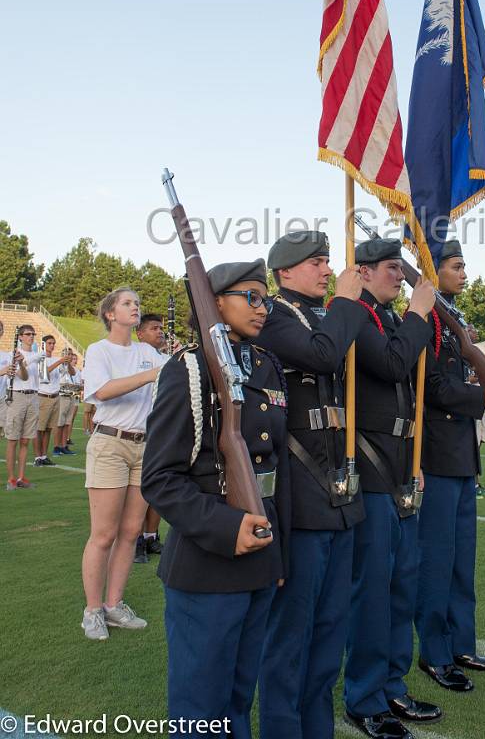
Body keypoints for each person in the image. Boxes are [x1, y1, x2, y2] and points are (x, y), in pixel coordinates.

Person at [142, 261, 290, 739]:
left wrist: (276, 552)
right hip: (208, 567)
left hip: (260, 560)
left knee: (238, 700)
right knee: (201, 709)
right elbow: (161, 479)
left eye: (264, 298)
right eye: (250, 296)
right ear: (214, 303)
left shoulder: (263, 364)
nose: (261, 307)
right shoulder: (188, 370)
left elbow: (272, 470)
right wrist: (228, 529)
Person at [258, 231, 366, 739]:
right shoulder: (275, 316)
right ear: (284, 272)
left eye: (328, 261)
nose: (328, 270)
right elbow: (322, 356)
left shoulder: (329, 316)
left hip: (341, 498)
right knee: (291, 637)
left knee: (329, 633)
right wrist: (347, 299)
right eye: (317, 262)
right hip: (302, 498)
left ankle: (317, 728)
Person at [344, 237, 441, 739]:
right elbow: (392, 365)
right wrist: (419, 314)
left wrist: (416, 459)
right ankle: (364, 696)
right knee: (373, 593)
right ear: (361, 272)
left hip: (403, 465)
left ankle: (392, 683)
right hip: (373, 469)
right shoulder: (356, 316)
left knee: (403, 586)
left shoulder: (393, 318)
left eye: (400, 270)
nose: (399, 277)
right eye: (389, 269)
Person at [416, 239, 485, 696]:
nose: (465, 273)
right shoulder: (428, 320)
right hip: (436, 456)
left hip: (460, 457)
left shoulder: (454, 319)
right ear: (433, 273)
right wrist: (480, 397)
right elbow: (431, 386)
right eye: (457, 266)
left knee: (461, 561)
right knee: (436, 561)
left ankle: (461, 643)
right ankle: (435, 653)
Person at [81, 288, 168, 640]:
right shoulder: (98, 350)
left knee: (131, 532)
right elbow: (101, 391)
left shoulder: (148, 351)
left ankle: (114, 605)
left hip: (143, 447)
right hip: (110, 444)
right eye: (128, 303)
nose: (136, 307)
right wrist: (149, 376)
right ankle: (92, 610)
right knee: (104, 534)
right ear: (110, 314)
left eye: (137, 303)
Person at [133, 313, 168, 563]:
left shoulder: (168, 358)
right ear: (140, 333)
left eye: (161, 328)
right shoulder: (133, 354)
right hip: (136, 430)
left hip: (158, 433)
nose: (160, 332)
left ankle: (150, 535)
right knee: (136, 493)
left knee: (157, 489)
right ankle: (135, 539)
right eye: (154, 328)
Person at [4, 324, 41, 490]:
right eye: (27, 334)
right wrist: (22, 363)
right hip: (18, 395)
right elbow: (23, 376)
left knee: (26, 440)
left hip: (33, 396)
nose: (31, 336)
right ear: (20, 337)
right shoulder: (13, 354)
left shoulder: (36, 354)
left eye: (33, 334)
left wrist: (27, 361)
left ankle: (21, 477)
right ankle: (11, 478)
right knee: (13, 439)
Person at [34, 336, 76, 463]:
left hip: (55, 396)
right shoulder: (41, 358)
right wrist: (60, 361)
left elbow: (72, 373)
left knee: (48, 429)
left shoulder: (57, 359)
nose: (52, 345)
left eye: (53, 343)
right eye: (49, 343)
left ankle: (44, 456)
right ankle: (37, 456)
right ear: (44, 344)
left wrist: (67, 363)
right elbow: (44, 374)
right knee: (39, 429)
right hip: (43, 396)